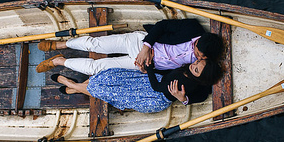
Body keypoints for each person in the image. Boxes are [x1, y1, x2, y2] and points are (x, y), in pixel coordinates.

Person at [36, 18, 224, 75]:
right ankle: (60, 44)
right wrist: (146, 48)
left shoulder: (202, 62)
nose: (196, 56)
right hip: (141, 43)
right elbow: (162, 26)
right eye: (197, 50)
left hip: (144, 64)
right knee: (96, 44)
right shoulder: (192, 28)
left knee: (97, 68)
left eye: (200, 56)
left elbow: (175, 73)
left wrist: (148, 69)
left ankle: (59, 61)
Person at [52, 58, 222, 113]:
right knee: (109, 77)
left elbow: (157, 87)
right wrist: (149, 70)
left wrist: (183, 99)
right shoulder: (187, 69)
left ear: (201, 77)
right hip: (150, 81)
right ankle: (73, 89)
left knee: (105, 91)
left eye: (197, 69)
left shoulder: (188, 85)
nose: (194, 65)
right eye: (197, 62)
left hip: (152, 96)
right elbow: (165, 75)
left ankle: (70, 83)